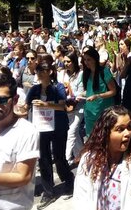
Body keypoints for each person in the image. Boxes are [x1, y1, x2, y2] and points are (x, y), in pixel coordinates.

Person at [74, 105, 131, 209]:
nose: (127, 133)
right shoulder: (89, 159)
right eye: (120, 129)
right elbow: (80, 198)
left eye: (129, 127)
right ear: (105, 133)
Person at [0, 73, 39, 210]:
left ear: (15, 99)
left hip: (11, 206)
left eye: (2, 100)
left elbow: (23, 176)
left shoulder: (27, 131)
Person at [25, 62, 74, 209]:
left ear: (50, 71)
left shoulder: (58, 87)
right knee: (44, 159)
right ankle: (48, 191)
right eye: (38, 69)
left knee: (59, 157)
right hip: (41, 127)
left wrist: (45, 104)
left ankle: (68, 179)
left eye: (43, 70)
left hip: (58, 126)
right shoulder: (34, 89)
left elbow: (62, 105)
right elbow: (26, 107)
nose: (39, 72)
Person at [58, 51, 85, 165]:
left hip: (79, 107)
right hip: (65, 107)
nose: (66, 63)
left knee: (71, 132)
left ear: (74, 62)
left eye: (68, 61)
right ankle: (83, 155)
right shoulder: (62, 73)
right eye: (64, 61)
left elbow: (80, 92)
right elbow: (59, 89)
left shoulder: (81, 74)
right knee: (75, 135)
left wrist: (69, 89)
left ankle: (65, 159)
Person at [82, 47, 117, 136]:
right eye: (85, 60)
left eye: (89, 60)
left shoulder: (104, 72)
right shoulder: (86, 73)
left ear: (95, 59)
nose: (86, 62)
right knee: (91, 140)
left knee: (104, 138)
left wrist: (97, 96)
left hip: (103, 114)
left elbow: (113, 91)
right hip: (89, 113)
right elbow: (88, 91)